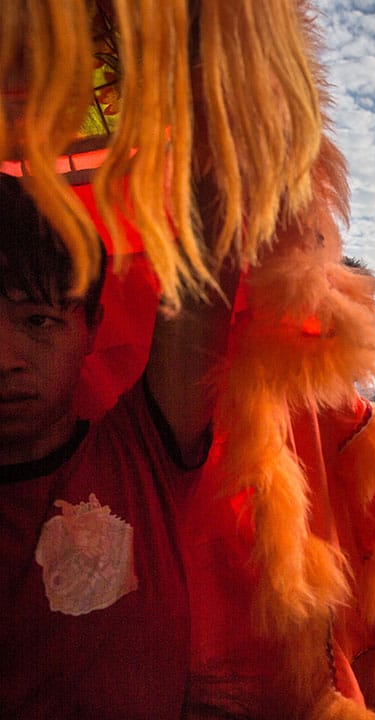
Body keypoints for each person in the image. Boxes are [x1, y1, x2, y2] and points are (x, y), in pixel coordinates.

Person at [0, 174, 234, 716]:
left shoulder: (140, 454)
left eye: (39, 320)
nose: (4, 358)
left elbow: (213, 231)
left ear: (91, 326)